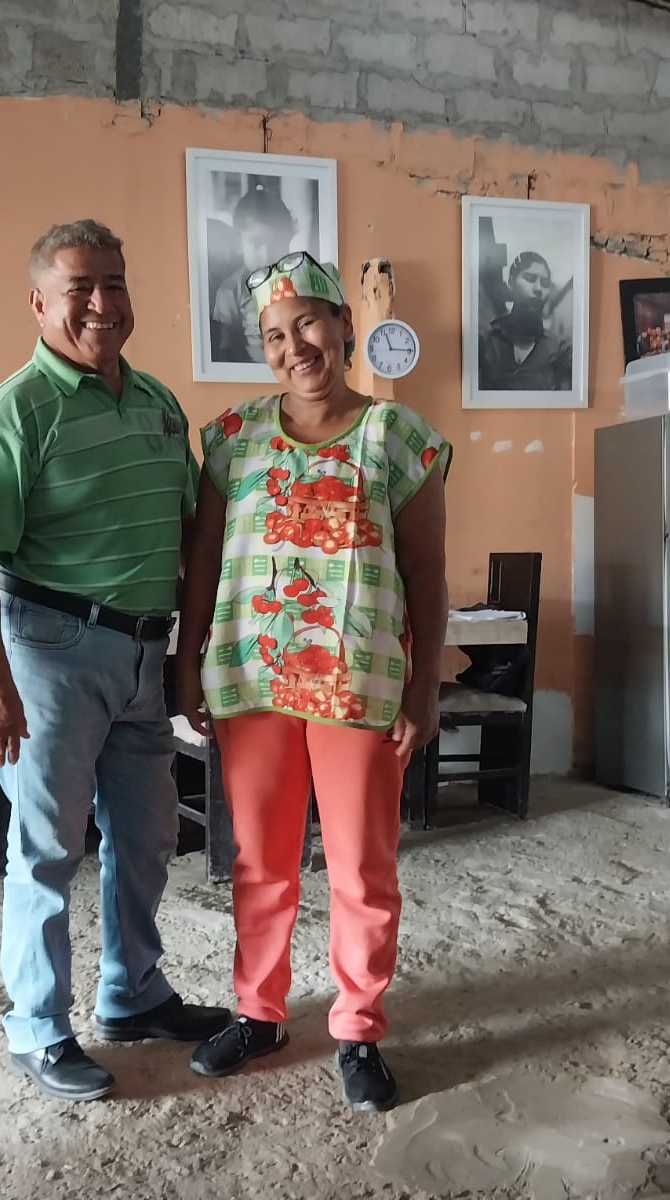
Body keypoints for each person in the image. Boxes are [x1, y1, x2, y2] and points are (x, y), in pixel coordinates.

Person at [0, 218, 230, 1103]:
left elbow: (187, 533)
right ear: (39, 304)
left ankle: (133, 994)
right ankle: (37, 1026)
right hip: (51, 650)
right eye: (80, 289)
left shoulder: (157, 403)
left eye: (115, 283)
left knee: (147, 836)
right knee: (47, 847)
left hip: (145, 652)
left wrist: (191, 657)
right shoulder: (12, 413)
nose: (102, 303)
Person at [175, 250, 451, 1113]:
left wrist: (425, 689)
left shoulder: (399, 439)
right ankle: (258, 1013)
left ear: (343, 327)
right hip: (251, 676)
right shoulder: (231, 438)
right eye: (274, 336)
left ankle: (358, 1026)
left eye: (308, 326)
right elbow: (204, 560)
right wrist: (186, 662)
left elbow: (428, 574)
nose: (294, 348)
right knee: (260, 860)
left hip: (360, 682)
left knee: (361, 865)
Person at [211, 184, 298, 363]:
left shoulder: (302, 282)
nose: (266, 255)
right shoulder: (230, 291)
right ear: (239, 242)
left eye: (276, 243)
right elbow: (225, 353)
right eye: (256, 243)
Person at [476, 250, 571, 391]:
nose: (538, 289)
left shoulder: (560, 349)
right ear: (511, 283)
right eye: (530, 279)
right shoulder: (485, 342)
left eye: (545, 283)